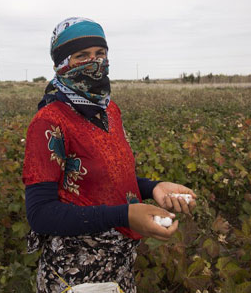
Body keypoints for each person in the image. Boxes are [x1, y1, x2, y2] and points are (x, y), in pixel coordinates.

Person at [22, 17, 196, 292]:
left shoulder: (108, 110)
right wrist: (124, 216)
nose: (95, 62)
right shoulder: (50, 121)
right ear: (62, 63)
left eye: (100, 54)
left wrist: (154, 188)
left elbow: (107, 175)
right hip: (77, 270)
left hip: (120, 264)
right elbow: (40, 213)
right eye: (82, 56)